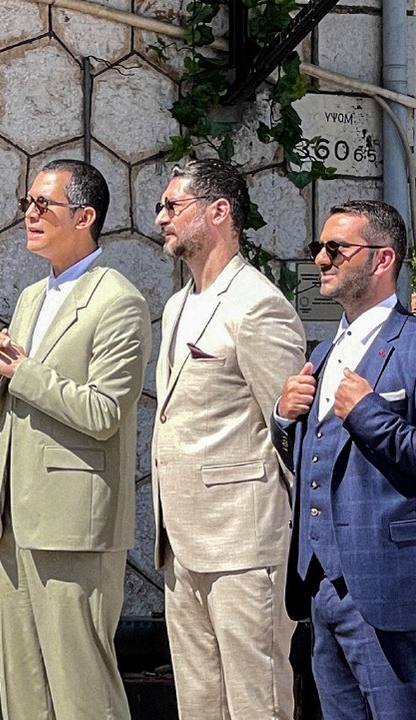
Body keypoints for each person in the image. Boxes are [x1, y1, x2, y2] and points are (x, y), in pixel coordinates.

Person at [273, 200, 416, 719]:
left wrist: (368, 414)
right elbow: (318, 462)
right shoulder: (321, 355)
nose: (321, 259)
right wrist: (283, 420)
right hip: (322, 587)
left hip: (396, 592)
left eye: (336, 248)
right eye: (318, 247)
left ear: (383, 259)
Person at [0, 159, 150, 720]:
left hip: (75, 524)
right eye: (27, 203)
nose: (29, 214)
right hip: (15, 518)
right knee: (23, 692)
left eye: (42, 205)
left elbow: (104, 411)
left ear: (84, 216)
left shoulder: (118, 300)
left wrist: (22, 372)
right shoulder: (31, 296)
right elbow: (8, 407)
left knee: (82, 692)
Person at [150, 158, 306, 719]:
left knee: (257, 703)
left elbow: (292, 433)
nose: (161, 217)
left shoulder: (259, 304)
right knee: (198, 705)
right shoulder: (177, 305)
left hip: (245, 543)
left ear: (218, 212)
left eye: (173, 205)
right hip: (181, 540)